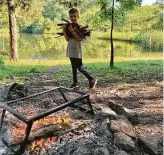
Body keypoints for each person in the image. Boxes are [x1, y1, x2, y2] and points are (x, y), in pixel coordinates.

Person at [62, 8, 97, 89]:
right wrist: (64, 30)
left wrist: (73, 31)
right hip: (71, 49)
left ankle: (91, 79)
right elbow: (67, 39)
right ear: (69, 17)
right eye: (71, 16)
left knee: (80, 67)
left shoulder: (79, 27)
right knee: (73, 68)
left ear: (78, 17)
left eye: (74, 16)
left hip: (77, 50)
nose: (73, 18)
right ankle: (75, 83)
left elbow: (79, 38)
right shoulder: (69, 26)